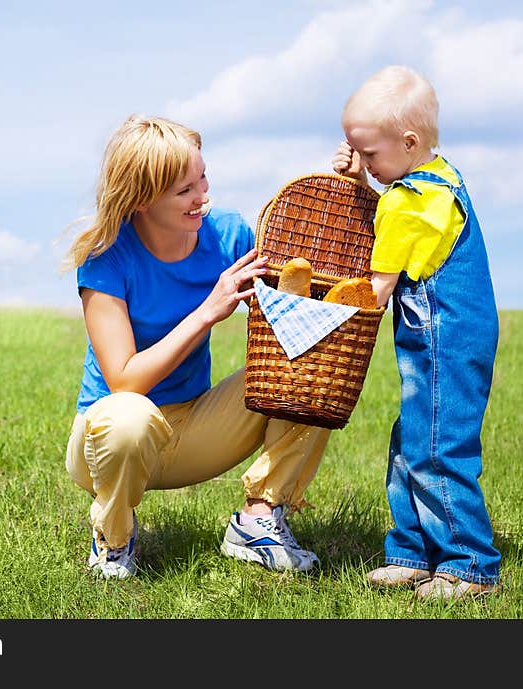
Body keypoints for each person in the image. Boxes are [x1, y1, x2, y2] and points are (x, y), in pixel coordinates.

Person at [61, 114, 332, 579]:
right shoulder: (107, 258)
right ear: (143, 198)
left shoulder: (227, 234)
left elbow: (301, 292)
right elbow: (125, 381)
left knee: (307, 370)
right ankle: (114, 540)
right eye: (185, 190)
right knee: (128, 414)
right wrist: (208, 310)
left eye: (202, 177)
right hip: (111, 443)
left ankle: (258, 520)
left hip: (195, 428)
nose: (202, 196)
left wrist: (339, 186)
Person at [332, 65, 501, 600]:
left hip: (444, 340)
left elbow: (376, 290)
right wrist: (362, 177)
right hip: (450, 336)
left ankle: (469, 563)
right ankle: (413, 550)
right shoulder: (438, 180)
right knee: (410, 442)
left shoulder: (410, 203)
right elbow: (393, 207)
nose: (366, 165)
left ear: (408, 142)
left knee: (438, 446)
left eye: (370, 155)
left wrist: (323, 312)